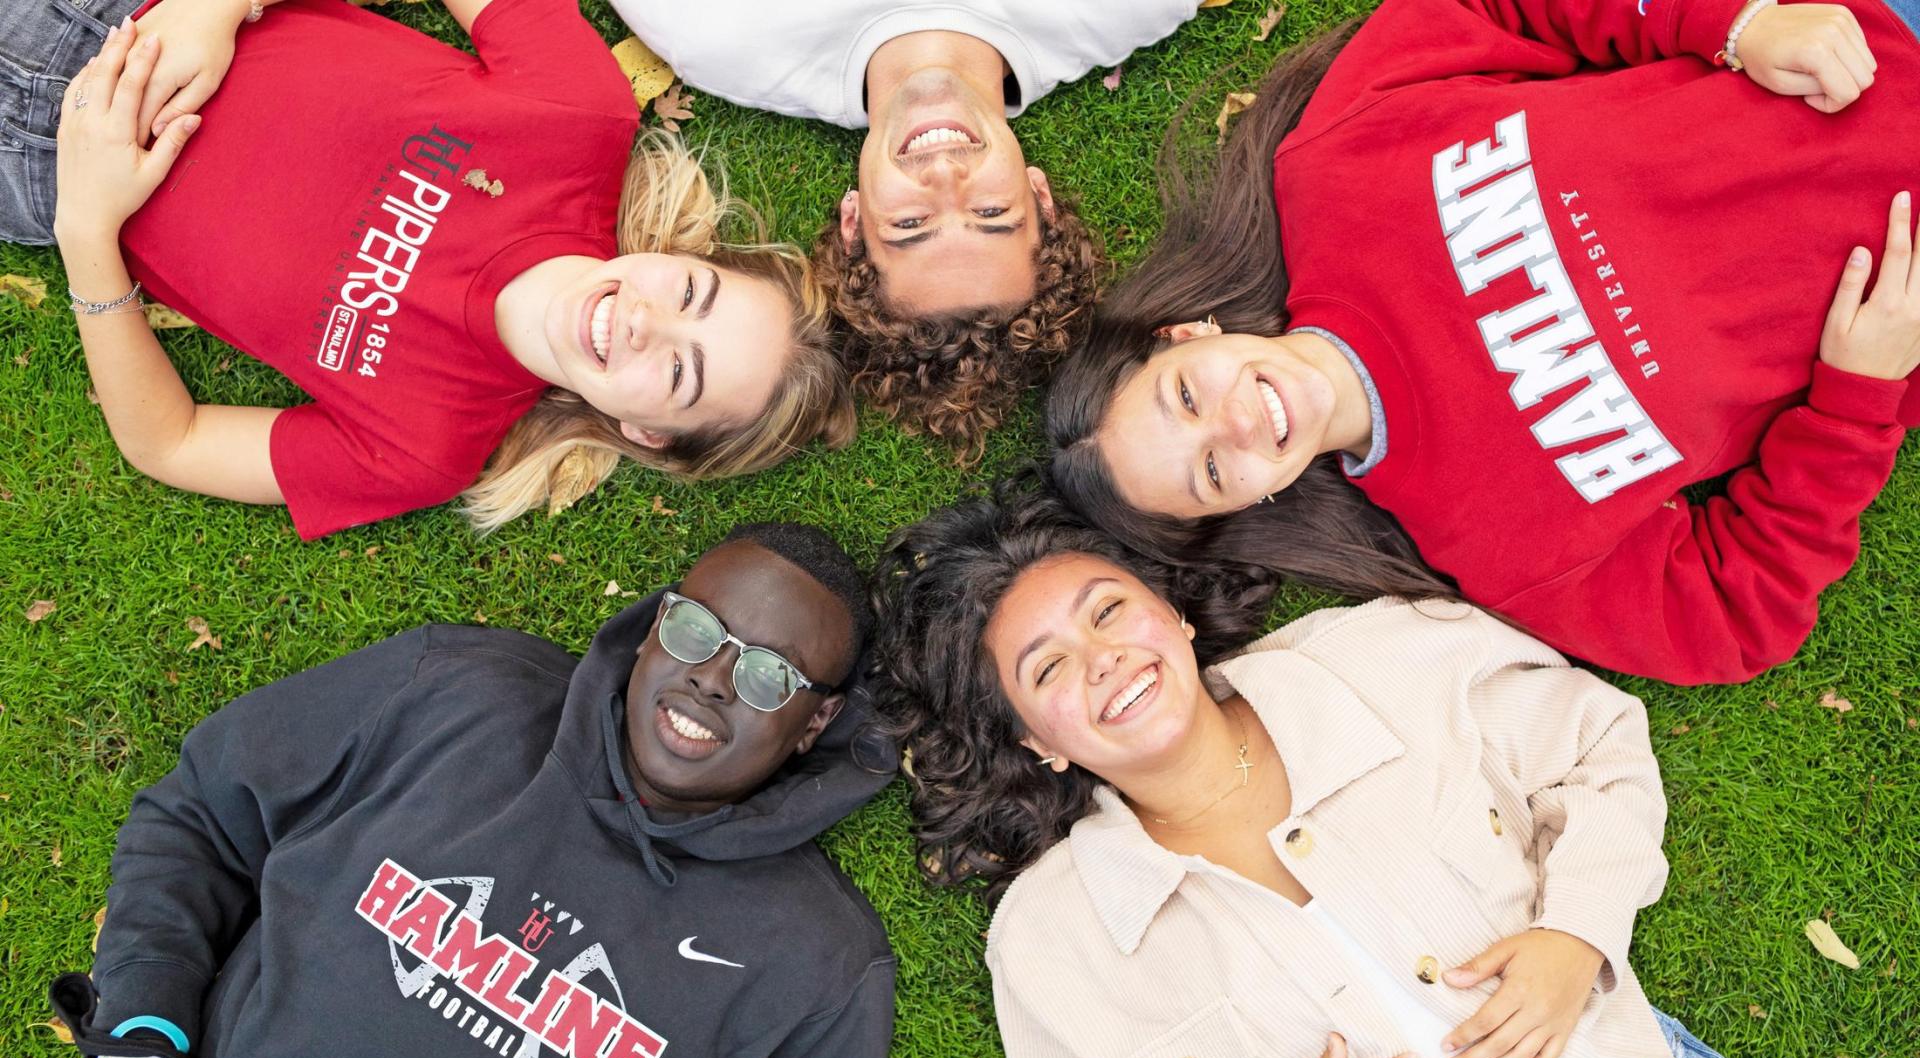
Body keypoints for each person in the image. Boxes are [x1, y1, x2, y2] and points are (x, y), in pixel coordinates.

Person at [1045, 0, 1920, 684]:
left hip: (1875, 47)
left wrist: (1736, 24)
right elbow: (1733, 615)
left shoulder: (1331, 170)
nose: (1232, 424)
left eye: (1186, 395)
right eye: (1210, 473)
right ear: (1245, 505)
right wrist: (1857, 400)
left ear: (1189, 334)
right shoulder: (1494, 546)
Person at [868, 488, 1749, 1058]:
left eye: (1108, 611)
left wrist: (1576, 935)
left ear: (1172, 615)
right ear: (1034, 740)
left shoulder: (1386, 658)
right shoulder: (1053, 945)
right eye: (1049, 668)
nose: (1105, 661)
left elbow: (1598, 745)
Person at [49, 523, 898, 1058]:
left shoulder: (816, 963)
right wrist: (144, 1038)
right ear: (653, 629)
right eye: (695, 632)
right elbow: (200, 814)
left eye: (765, 674)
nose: (712, 678)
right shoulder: (455, 692)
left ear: (815, 720)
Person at [4, 0, 854, 539]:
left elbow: (171, 443)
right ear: (678, 258)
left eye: (679, 371)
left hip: (34, 168)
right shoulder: (580, 117)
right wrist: (218, 9)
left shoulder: (425, 449)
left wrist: (85, 225)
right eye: (691, 294)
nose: (646, 321)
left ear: (647, 434)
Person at [609, 1, 1200, 453]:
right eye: (991, 214)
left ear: (853, 222)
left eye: (912, 223)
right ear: (1040, 198)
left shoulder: (717, 33)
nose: (944, 174)